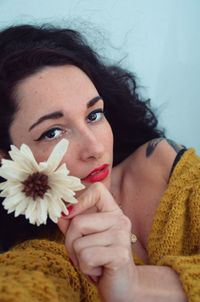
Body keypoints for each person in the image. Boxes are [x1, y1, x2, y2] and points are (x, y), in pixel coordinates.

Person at [0, 24, 199, 302]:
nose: (94, 148)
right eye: (53, 132)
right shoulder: (35, 254)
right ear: (7, 158)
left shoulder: (166, 168)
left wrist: (136, 285)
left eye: (94, 115)